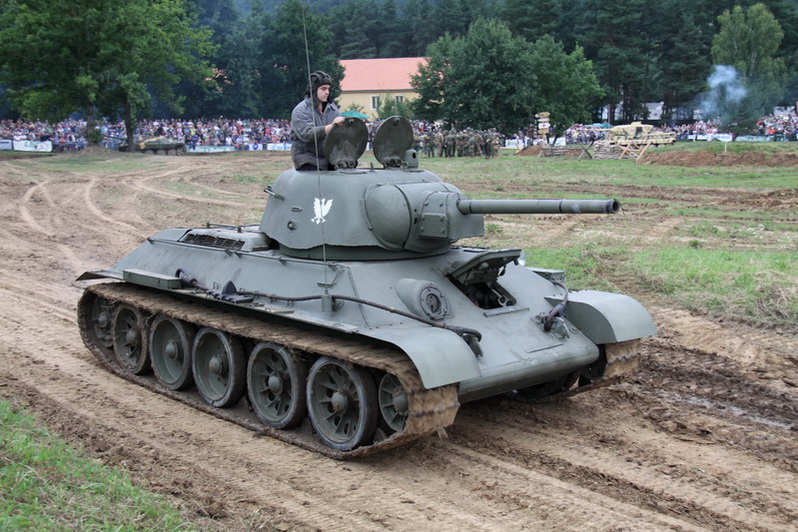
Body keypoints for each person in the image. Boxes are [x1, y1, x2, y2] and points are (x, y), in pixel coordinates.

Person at [290, 70, 345, 171]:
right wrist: (331, 128)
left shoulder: (333, 109)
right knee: (315, 180)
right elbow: (307, 134)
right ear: (314, 90)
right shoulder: (301, 110)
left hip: (329, 157)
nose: (327, 92)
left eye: (328, 89)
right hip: (307, 158)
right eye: (323, 89)